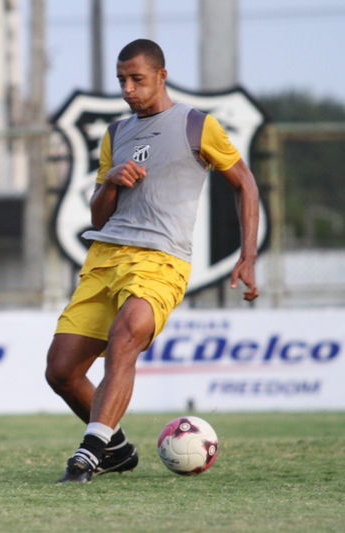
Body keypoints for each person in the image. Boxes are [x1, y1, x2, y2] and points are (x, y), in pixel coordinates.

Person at [45, 39, 259, 483]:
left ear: (161, 76)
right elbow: (99, 215)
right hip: (105, 258)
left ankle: (89, 452)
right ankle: (118, 448)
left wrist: (248, 255)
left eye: (136, 79)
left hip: (160, 261)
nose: (127, 89)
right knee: (61, 371)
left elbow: (245, 185)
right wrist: (110, 182)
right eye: (121, 80)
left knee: (125, 337)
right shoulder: (115, 134)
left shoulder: (196, 125)